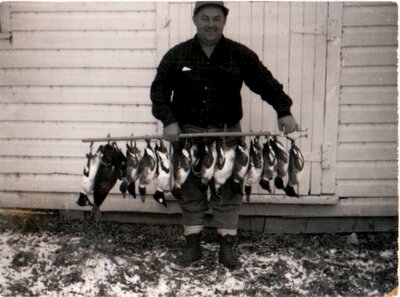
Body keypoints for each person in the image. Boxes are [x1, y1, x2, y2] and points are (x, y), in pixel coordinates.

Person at [150, 1, 299, 270]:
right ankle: (192, 246)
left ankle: (226, 248)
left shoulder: (239, 54)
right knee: (190, 190)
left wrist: (284, 109)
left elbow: (266, 83)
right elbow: (159, 91)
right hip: (188, 136)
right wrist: (169, 121)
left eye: (216, 18)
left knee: (228, 192)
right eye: (204, 18)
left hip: (227, 135)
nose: (210, 24)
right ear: (194, 19)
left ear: (224, 20)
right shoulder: (177, 55)